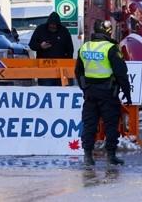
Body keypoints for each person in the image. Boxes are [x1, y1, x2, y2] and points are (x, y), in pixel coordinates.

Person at [75, 19, 132, 166]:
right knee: (111, 124)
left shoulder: (85, 47)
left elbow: (78, 72)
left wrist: (85, 88)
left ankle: (88, 155)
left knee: (89, 124)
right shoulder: (111, 48)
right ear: (107, 32)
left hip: (90, 93)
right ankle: (111, 156)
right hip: (108, 93)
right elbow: (121, 73)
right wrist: (127, 93)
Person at [29, 11, 74, 86]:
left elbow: (70, 49)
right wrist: (40, 46)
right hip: (44, 69)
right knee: (46, 89)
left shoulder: (64, 31)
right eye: (51, 25)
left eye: (55, 25)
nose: (53, 27)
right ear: (48, 24)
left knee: (61, 90)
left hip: (61, 69)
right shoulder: (40, 29)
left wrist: (68, 66)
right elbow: (32, 45)